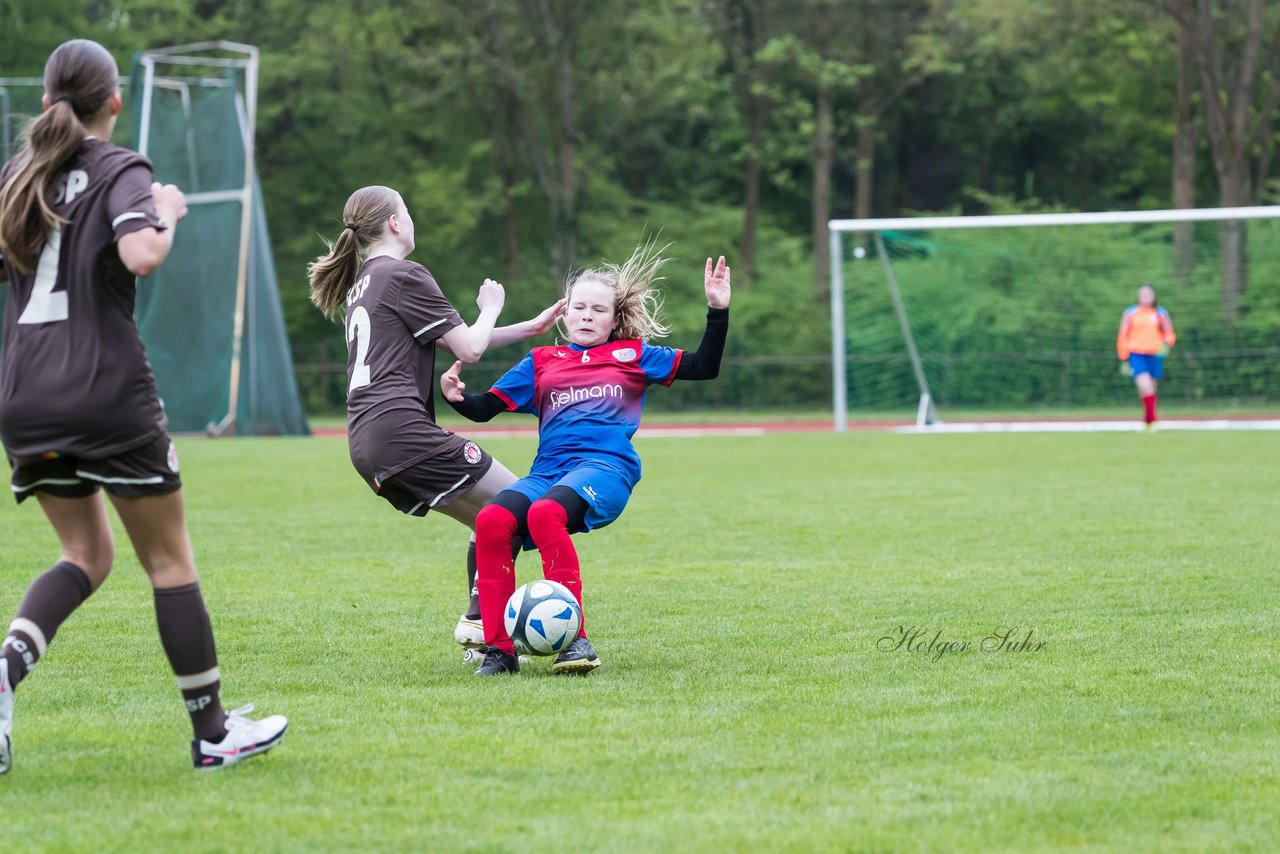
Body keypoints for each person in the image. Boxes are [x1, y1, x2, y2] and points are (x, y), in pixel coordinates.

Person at [0, 39, 287, 773]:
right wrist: (163, 210)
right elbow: (141, 257)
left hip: (26, 397)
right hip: (104, 393)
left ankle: (1, 680)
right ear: (115, 101)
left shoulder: (17, 177)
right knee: (166, 560)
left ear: (44, 101)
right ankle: (213, 731)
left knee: (84, 555)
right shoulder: (120, 166)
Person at [442, 245, 731, 676]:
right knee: (492, 520)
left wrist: (716, 311)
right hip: (549, 472)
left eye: (598, 309)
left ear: (614, 319)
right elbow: (486, 407)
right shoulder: (542, 362)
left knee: (544, 515)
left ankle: (575, 640)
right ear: (565, 314)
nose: (587, 315)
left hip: (606, 468)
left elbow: (704, 366)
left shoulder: (633, 355)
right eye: (579, 307)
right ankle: (500, 652)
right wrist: (458, 397)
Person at [307, 185, 563, 655]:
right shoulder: (405, 275)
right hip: (401, 432)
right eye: (408, 210)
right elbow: (470, 347)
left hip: (367, 444)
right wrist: (490, 309)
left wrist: (529, 329)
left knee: (493, 520)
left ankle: (479, 624)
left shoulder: (367, 282)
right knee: (527, 503)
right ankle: (487, 623)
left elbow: (454, 339)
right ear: (395, 223)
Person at [1117, 283, 1176, 430]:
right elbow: (1123, 335)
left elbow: (1169, 333)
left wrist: (1167, 344)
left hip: (1155, 354)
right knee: (1145, 385)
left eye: (1148, 293)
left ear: (1154, 295)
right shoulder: (1131, 313)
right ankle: (1151, 419)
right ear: (1138, 296)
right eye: (1142, 294)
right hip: (1136, 353)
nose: (1145, 296)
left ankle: (1148, 420)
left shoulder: (1160, 313)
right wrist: (1124, 356)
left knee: (1150, 389)